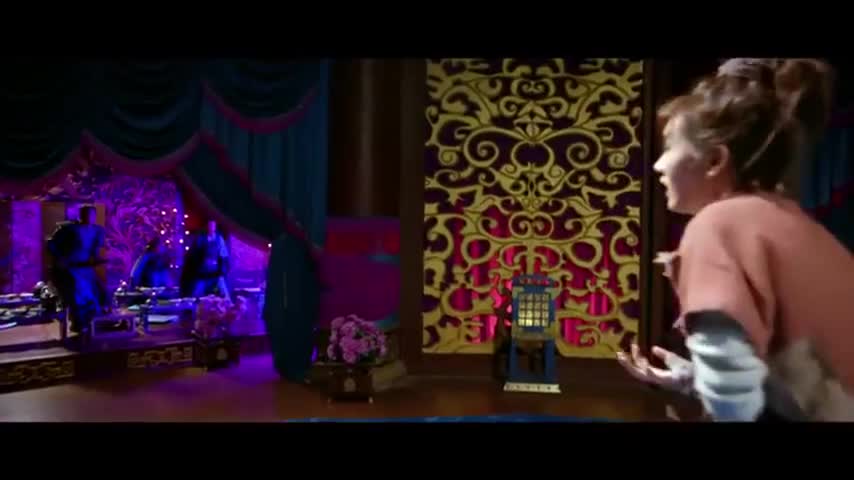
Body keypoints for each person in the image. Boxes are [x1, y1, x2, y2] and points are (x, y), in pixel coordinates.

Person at [616, 58, 854, 422]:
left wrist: (714, 383)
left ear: (715, 160)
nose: (657, 166)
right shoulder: (793, 221)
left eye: (670, 148)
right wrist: (694, 378)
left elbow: (733, 403)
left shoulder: (717, 223)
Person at [46, 204, 108, 336]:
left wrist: (99, 259)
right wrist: (61, 258)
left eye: (92, 215)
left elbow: (94, 251)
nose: (89, 217)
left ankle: (95, 322)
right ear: (81, 215)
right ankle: (78, 323)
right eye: (86, 214)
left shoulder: (97, 230)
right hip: (70, 267)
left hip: (84, 267)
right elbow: (51, 244)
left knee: (97, 292)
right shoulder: (69, 229)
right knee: (75, 295)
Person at [180, 219, 230, 300]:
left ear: (215, 227)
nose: (211, 227)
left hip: (215, 269)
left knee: (221, 291)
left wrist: (222, 268)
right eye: (209, 225)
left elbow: (223, 254)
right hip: (203, 268)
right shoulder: (201, 238)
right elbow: (195, 252)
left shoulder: (219, 239)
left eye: (213, 225)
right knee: (198, 291)